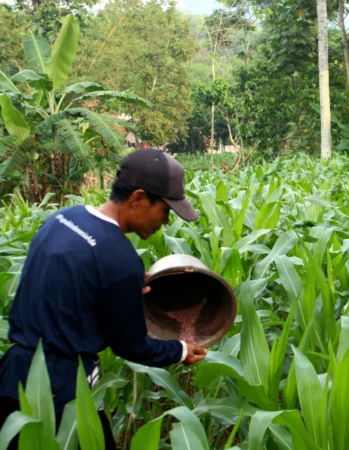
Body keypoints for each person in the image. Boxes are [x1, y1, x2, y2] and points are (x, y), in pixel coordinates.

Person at [0, 148, 208, 449]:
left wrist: (115, 291)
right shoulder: (120, 258)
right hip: (62, 393)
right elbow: (132, 345)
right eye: (165, 210)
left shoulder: (62, 218)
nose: (164, 222)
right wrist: (179, 351)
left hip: (13, 378)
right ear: (137, 198)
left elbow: (63, 288)